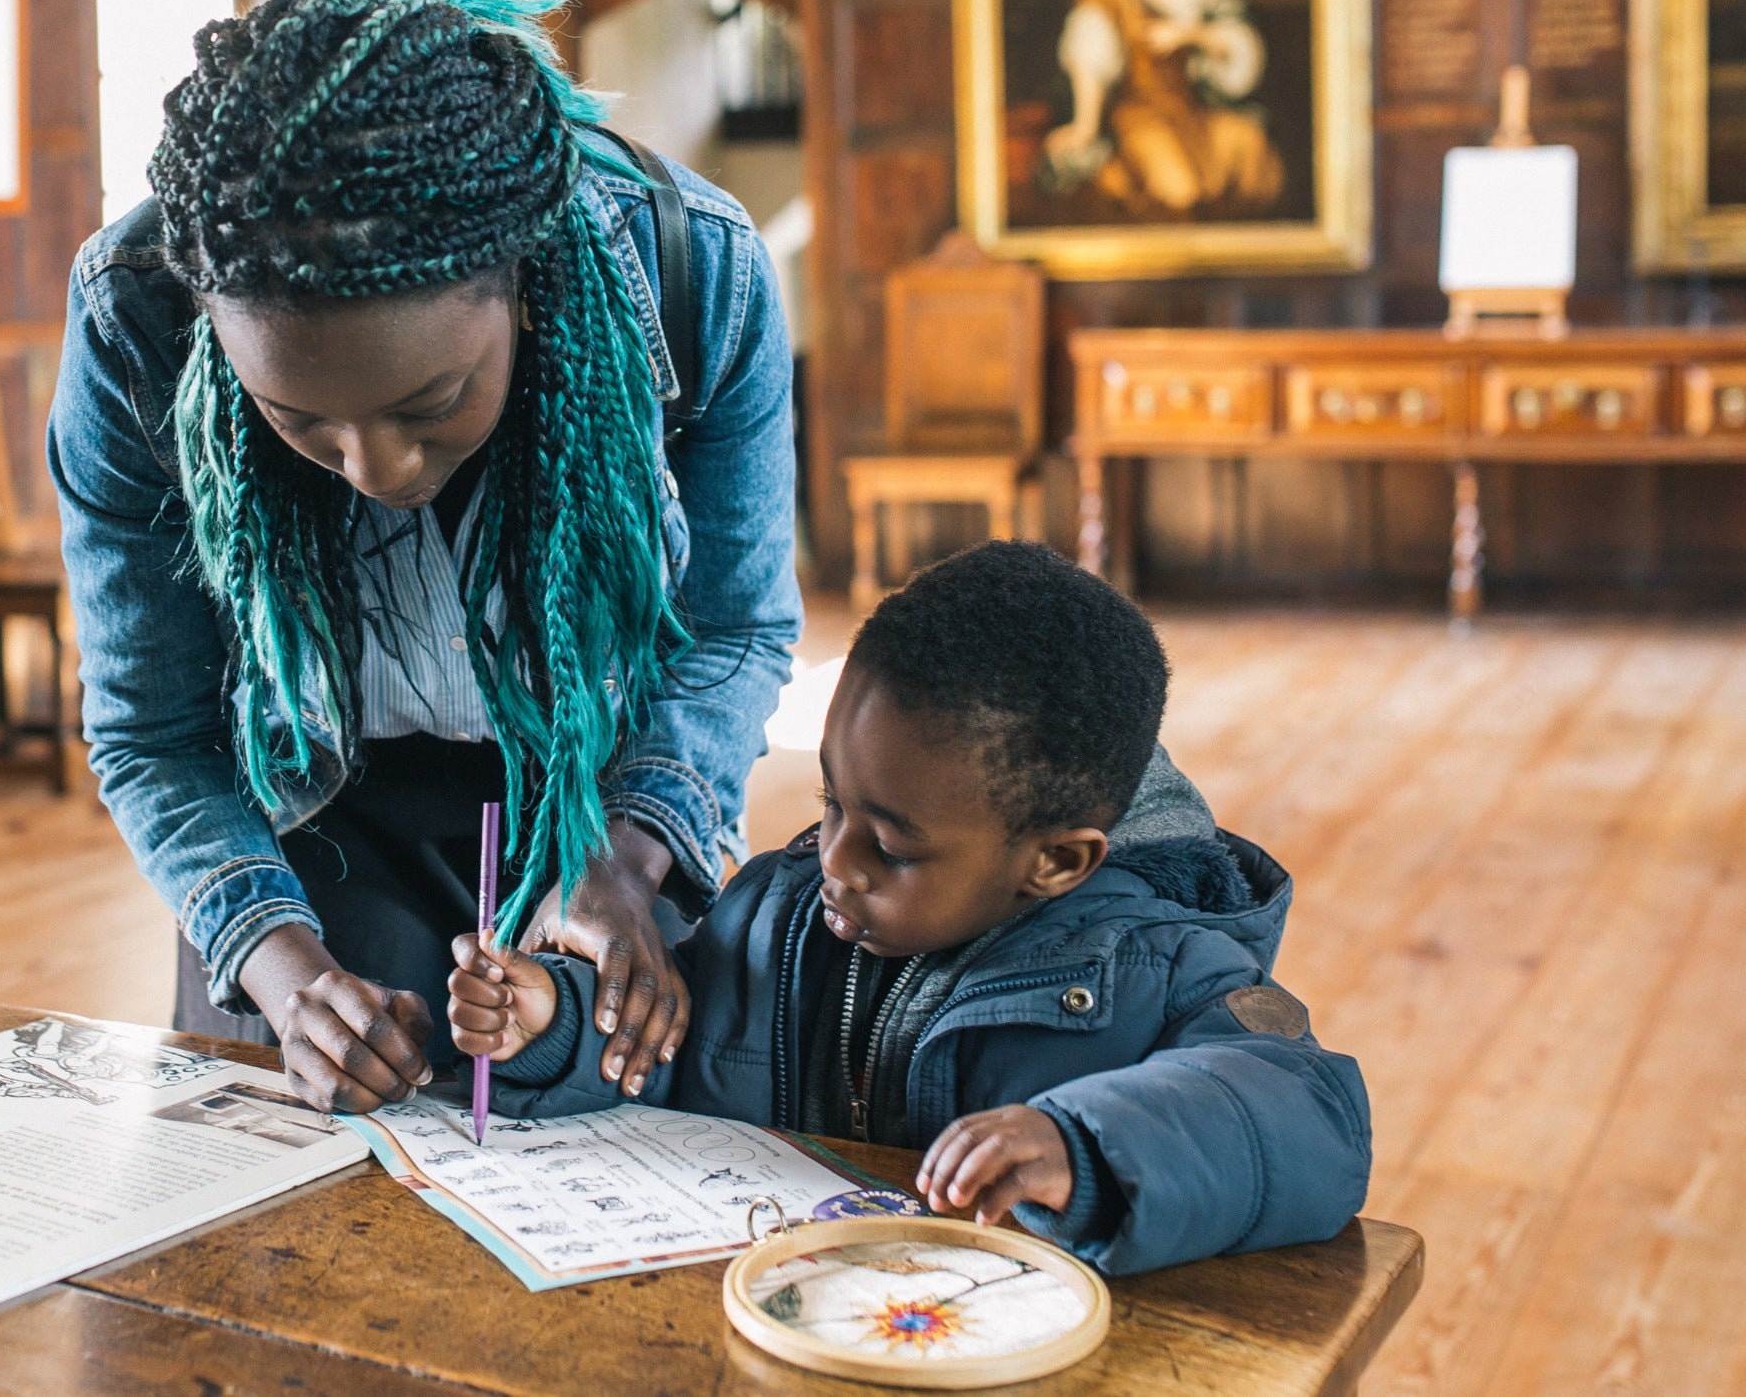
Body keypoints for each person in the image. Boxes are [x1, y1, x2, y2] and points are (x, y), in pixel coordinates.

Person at [49, 0, 803, 1114]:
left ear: (525, 283)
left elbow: (735, 628)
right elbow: (151, 728)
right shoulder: (135, 318)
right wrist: (284, 972)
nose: (377, 471)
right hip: (297, 825)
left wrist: (628, 856)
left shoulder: (694, 269)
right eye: (299, 420)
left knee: (605, 1164)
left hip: (599, 801)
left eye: (430, 401)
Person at [448, 543, 1370, 1275]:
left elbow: (1312, 1113)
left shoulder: (1155, 966)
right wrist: (559, 1021)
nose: (834, 863)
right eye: (829, 805)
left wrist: (1081, 1148)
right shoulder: (781, 913)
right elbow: (672, 1044)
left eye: (890, 846)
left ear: (1054, 861)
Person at [1041, 0, 1284, 218]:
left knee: (1251, 152)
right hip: (1138, 113)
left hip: (1194, 110)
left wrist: (1190, 33)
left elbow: (1239, 45)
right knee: (1178, 190)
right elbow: (1090, 53)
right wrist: (1086, 126)